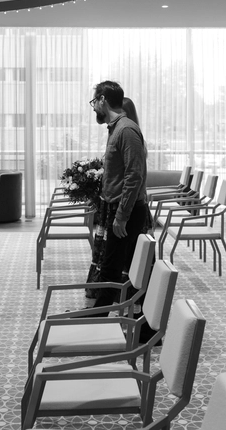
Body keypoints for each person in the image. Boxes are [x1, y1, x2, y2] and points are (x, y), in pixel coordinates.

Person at [88, 81, 151, 312]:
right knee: (114, 266)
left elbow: (135, 176)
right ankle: (101, 313)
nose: (93, 107)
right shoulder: (116, 128)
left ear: (103, 99)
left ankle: (145, 326)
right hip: (120, 208)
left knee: (126, 267)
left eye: (94, 101)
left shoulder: (126, 130)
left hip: (128, 211)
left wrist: (122, 215)